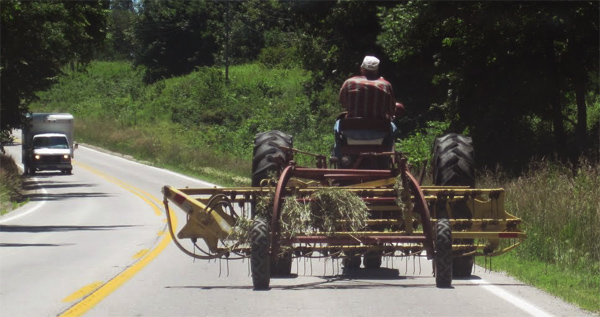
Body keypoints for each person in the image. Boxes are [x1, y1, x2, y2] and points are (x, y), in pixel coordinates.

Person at [334, 56, 399, 160]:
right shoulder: (386, 85)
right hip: (379, 133)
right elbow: (391, 109)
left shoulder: (349, 82)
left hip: (350, 132)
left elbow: (343, 102)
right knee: (394, 128)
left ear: (362, 68)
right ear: (377, 70)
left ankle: (337, 156)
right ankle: (387, 156)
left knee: (337, 125)